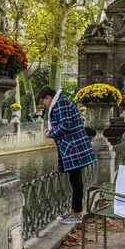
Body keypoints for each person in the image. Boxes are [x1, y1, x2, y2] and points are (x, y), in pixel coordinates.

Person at [38, 85, 97, 225]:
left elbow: (66, 125)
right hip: (72, 147)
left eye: (43, 102)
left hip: (73, 147)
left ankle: (76, 214)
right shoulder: (60, 103)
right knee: (74, 180)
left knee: (76, 180)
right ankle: (73, 210)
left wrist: (50, 133)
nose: (44, 106)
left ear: (48, 97)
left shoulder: (61, 104)